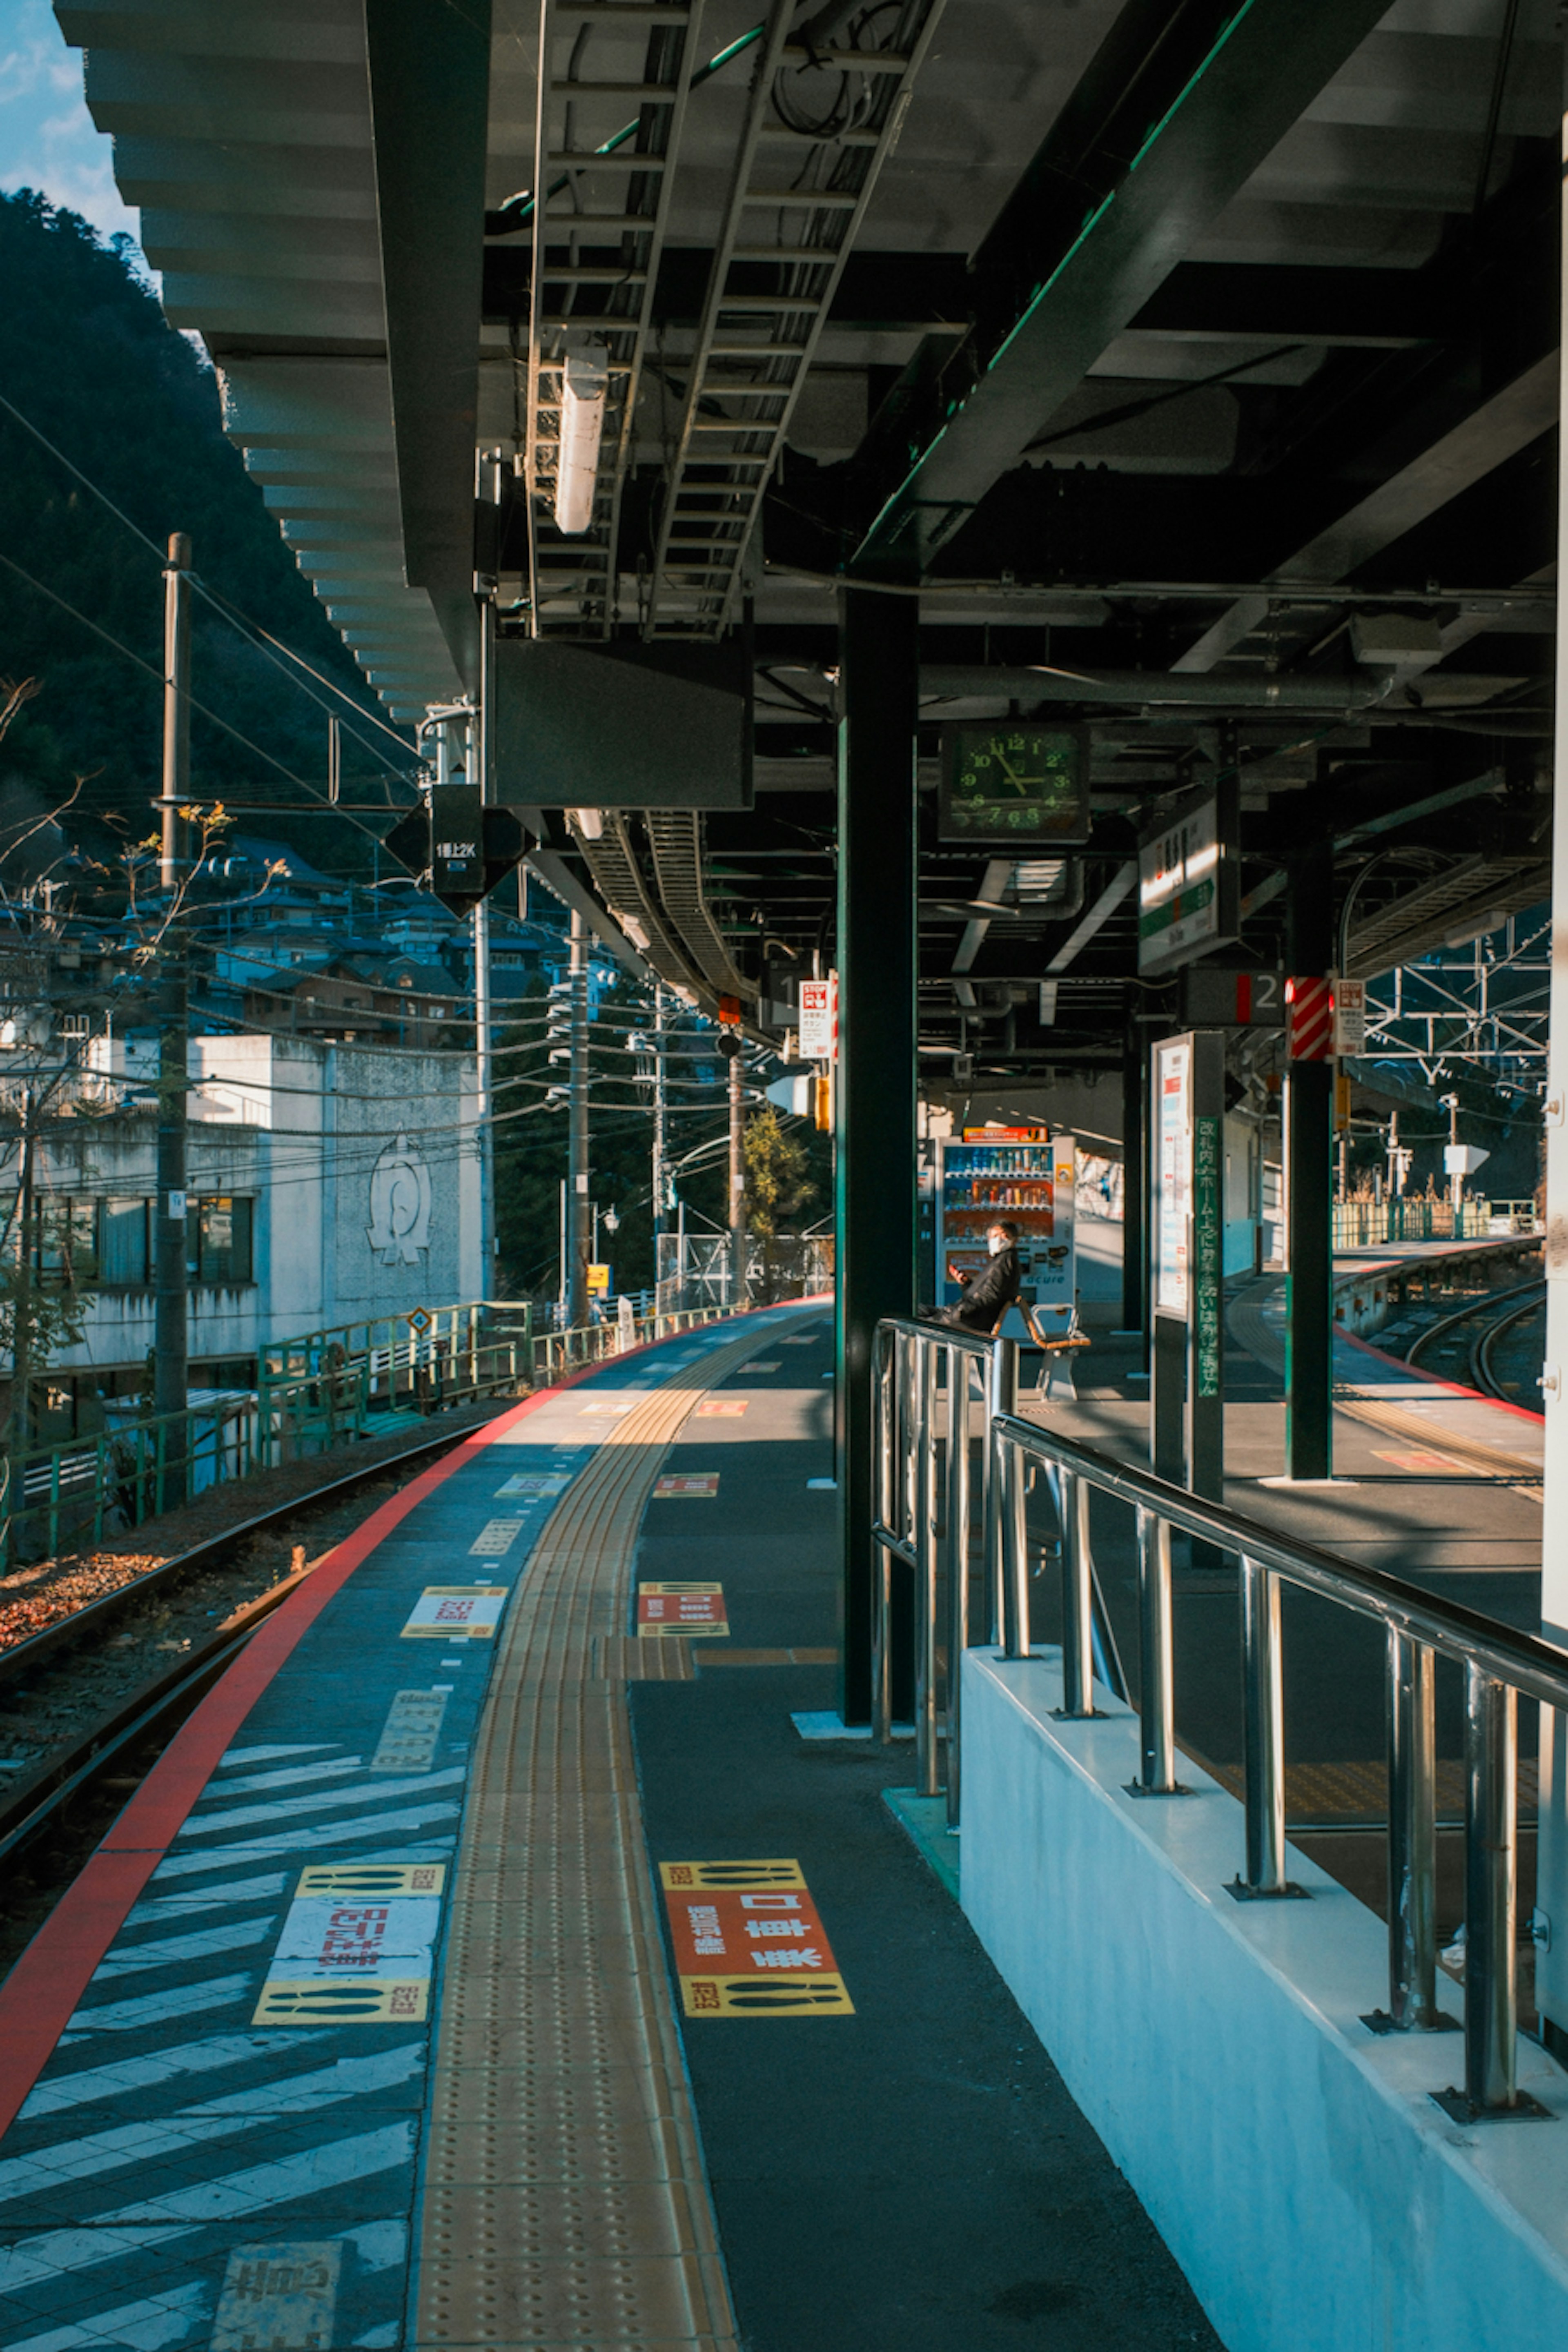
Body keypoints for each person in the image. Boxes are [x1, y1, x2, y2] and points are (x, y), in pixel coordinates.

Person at [943, 1220, 1021, 1334]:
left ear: (1014, 1240)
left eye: (1004, 1236)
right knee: (918, 1311)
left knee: (916, 1315)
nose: (998, 1240)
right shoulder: (1001, 1260)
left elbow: (991, 1295)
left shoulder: (1005, 1260)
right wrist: (967, 1284)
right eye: (994, 1236)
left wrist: (961, 1311)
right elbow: (986, 1292)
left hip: (973, 1320)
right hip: (969, 1316)